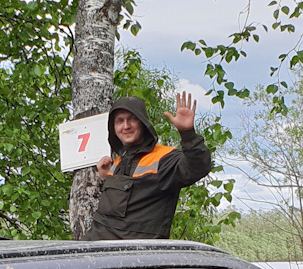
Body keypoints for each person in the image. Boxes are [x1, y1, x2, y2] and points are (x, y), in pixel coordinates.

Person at [87, 90, 213, 241]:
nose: (126, 126)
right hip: (95, 249)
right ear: (113, 127)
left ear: (143, 123)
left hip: (136, 256)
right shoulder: (118, 162)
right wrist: (107, 178)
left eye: (132, 119)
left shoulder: (164, 158)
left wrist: (188, 134)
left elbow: (199, 166)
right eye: (119, 121)